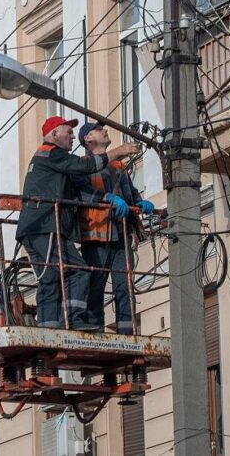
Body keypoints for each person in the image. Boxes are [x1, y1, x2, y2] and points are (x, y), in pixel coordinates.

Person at [16, 116, 140, 331]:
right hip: (48, 227)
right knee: (77, 270)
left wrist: (132, 202)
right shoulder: (52, 153)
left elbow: (82, 188)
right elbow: (85, 169)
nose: (72, 136)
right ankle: (73, 321)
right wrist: (119, 151)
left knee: (51, 277)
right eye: (68, 131)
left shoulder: (53, 159)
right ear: (55, 134)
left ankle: (49, 330)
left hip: (41, 227)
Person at [74, 122, 154, 335]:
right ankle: (95, 330)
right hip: (96, 235)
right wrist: (106, 198)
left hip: (120, 234)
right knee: (96, 286)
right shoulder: (83, 164)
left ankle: (127, 332)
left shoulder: (118, 166)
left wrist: (140, 202)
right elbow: (81, 192)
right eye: (100, 129)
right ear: (89, 138)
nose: (105, 130)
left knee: (124, 285)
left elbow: (131, 192)